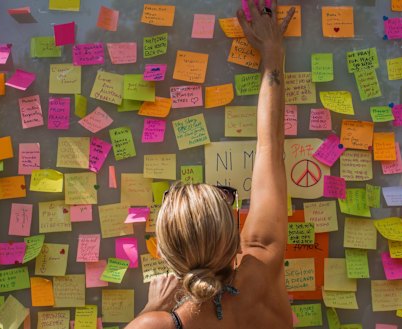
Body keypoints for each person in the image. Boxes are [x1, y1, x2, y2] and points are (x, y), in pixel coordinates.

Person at [126, 1, 295, 328]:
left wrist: (150, 308)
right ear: (233, 235)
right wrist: (273, 53)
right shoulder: (263, 259)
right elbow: (269, 148)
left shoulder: (160, 324)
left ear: (165, 255)